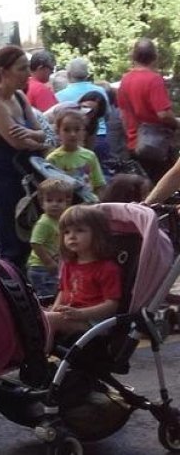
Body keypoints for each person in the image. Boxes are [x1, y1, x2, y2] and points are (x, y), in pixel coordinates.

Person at [0, 44, 47, 269]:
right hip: (2, 179)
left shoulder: (19, 96)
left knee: (30, 238)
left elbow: (42, 135)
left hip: (25, 176)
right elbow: (17, 141)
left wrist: (33, 134)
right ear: (4, 72)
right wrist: (34, 137)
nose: (28, 73)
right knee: (13, 242)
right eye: (22, 68)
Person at [44, 205, 122, 337]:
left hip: (94, 323)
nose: (72, 236)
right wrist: (54, 309)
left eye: (79, 230)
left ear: (97, 234)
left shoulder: (107, 268)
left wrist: (81, 314)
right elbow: (63, 292)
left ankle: (40, 355)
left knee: (48, 320)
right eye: (67, 232)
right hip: (70, 315)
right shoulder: (69, 265)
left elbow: (112, 305)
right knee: (36, 316)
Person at [119, 38, 178, 183]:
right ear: (155, 57)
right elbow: (163, 114)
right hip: (155, 146)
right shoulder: (154, 80)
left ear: (133, 57)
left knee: (140, 188)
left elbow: (122, 115)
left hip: (133, 143)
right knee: (162, 188)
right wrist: (177, 123)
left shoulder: (125, 80)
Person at [28, 178, 73, 299]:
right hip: (41, 268)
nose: (54, 204)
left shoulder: (61, 220)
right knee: (47, 297)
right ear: (42, 203)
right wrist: (49, 262)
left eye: (59, 200)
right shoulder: (44, 222)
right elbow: (35, 243)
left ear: (67, 203)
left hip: (54, 266)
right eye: (49, 200)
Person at [48, 109, 106, 195]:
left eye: (77, 129)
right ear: (58, 132)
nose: (72, 134)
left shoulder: (90, 156)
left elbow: (99, 184)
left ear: (84, 132)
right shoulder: (53, 159)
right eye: (66, 130)